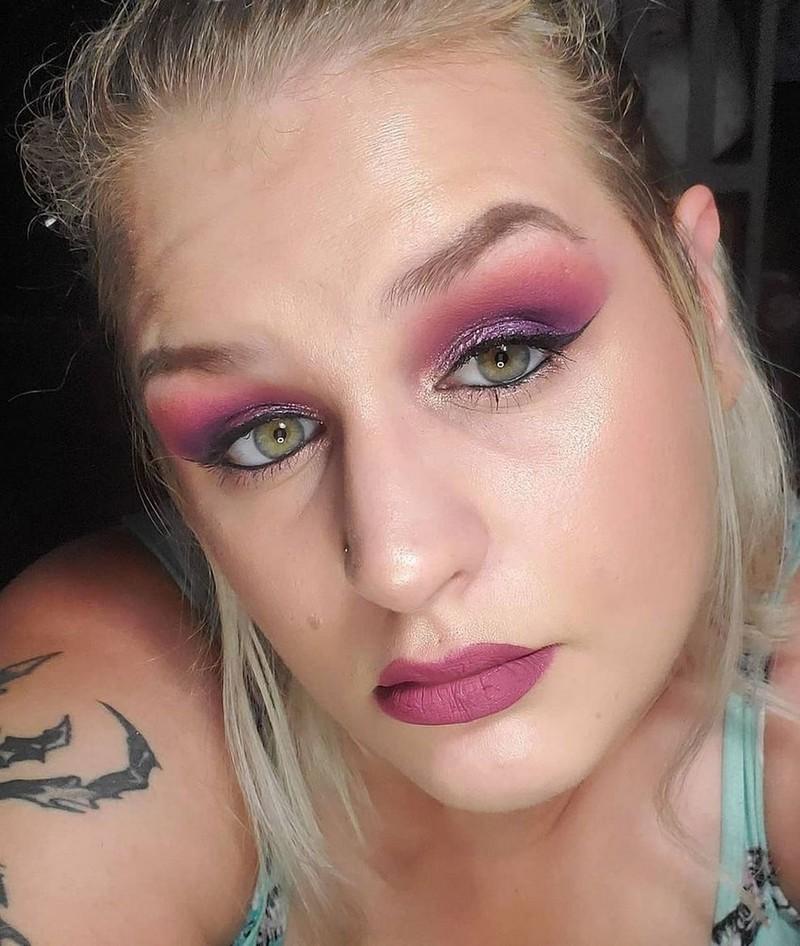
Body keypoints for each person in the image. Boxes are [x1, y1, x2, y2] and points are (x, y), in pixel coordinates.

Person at [5, 1, 800, 943]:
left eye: (502, 355)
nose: (398, 564)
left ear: (701, 299)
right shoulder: (117, 680)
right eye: (266, 435)